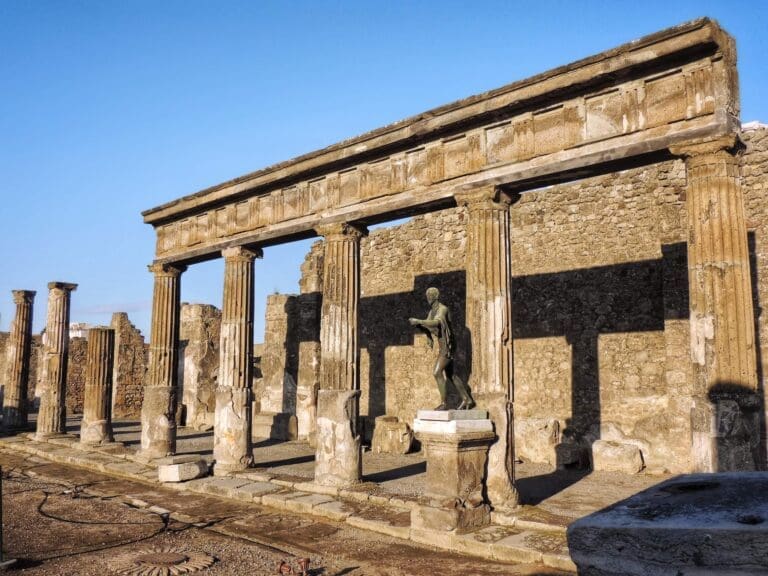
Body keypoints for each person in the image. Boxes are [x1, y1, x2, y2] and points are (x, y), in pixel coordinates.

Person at [409, 287, 475, 410]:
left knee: (437, 372)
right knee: (451, 375)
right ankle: (467, 399)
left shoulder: (442, 309)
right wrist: (426, 333)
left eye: (430, 295)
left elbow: (437, 323)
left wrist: (419, 320)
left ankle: (444, 404)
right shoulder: (432, 312)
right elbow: (427, 325)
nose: (428, 297)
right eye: (427, 295)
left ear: (436, 296)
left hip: (447, 346)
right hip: (442, 345)